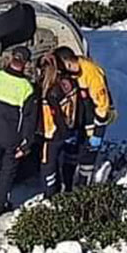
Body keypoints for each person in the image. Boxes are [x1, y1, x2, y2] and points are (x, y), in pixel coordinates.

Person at [0, 46, 37, 217]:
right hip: (13, 135)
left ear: (11, 58)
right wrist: (26, 144)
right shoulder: (27, 88)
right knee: (7, 172)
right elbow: (29, 119)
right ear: (26, 63)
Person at [62, 48, 114, 187]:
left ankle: (83, 188)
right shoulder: (68, 74)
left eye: (66, 66)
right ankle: (67, 187)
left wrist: (98, 133)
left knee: (87, 158)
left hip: (93, 121)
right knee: (70, 156)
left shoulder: (91, 73)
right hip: (78, 121)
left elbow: (102, 106)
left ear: (70, 62)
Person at [38, 48, 81, 198]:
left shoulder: (50, 92)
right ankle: (68, 188)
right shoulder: (70, 83)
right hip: (71, 129)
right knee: (67, 162)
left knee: (48, 165)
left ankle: (50, 195)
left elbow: (56, 116)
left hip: (53, 134)